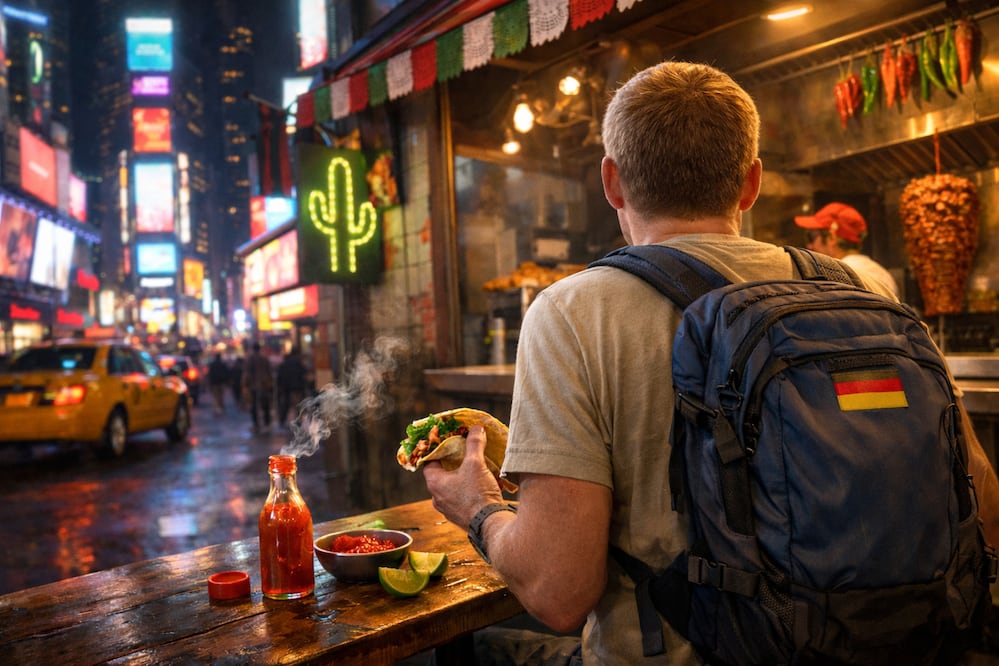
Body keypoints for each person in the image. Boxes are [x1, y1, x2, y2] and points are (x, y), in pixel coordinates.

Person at [421, 61, 997, 665]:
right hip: (888, 649)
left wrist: (478, 506)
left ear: (612, 182)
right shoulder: (864, 295)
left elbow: (559, 591)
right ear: (751, 184)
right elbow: (985, 513)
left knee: (472, 652)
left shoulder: (569, 313)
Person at [794, 202, 900, 298]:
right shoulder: (884, 275)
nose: (809, 246)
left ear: (831, 238)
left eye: (812, 237)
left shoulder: (835, 278)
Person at [242, 342, 273, 433]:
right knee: (265, 405)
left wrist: (245, 384)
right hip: (264, 385)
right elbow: (269, 372)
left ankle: (256, 424)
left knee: (254, 406)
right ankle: (267, 423)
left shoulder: (250, 359)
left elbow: (246, 373)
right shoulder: (264, 359)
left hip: (253, 386)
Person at [275, 347, 308, 428]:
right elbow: (304, 373)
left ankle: (282, 421)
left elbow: (279, 375)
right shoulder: (298, 363)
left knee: (285, 405)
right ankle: (298, 422)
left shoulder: (285, 363)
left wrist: (280, 386)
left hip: (286, 388)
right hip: (296, 388)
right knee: (297, 406)